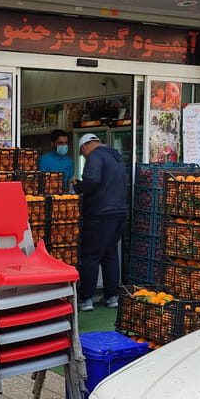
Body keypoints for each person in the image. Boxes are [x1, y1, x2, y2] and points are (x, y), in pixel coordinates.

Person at [72, 133, 128, 311]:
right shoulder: (116, 156)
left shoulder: (95, 156)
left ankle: (86, 298)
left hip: (100, 213)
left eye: (83, 154)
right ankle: (112, 296)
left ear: (85, 147)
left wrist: (77, 187)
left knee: (91, 254)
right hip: (119, 212)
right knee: (110, 254)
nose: (85, 157)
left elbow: (92, 180)